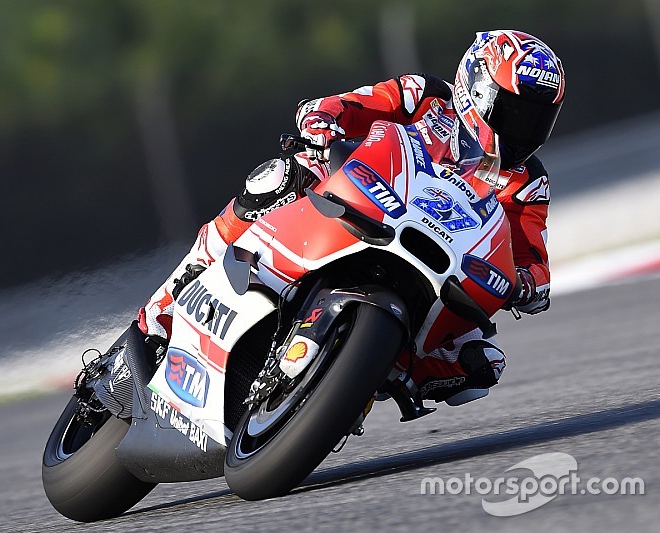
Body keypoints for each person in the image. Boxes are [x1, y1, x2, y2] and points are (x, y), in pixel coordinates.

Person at [137, 30, 565, 406]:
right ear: (477, 86)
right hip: (365, 205)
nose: (522, 130)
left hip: (437, 266)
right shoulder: (428, 97)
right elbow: (349, 105)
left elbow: (534, 261)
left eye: (536, 121)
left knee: (481, 364)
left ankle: (367, 374)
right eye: (513, 112)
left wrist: (525, 284)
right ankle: (184, 282)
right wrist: (323, 122)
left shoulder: (527, 183)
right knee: (287, 174)